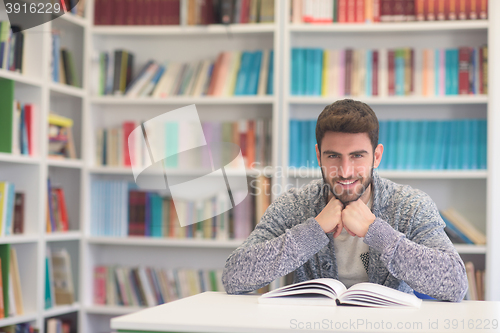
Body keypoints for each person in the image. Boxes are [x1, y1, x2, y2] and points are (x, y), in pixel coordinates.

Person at [221, 99, 468, 302]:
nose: (346, 171)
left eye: (357, 156)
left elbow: (455, 284)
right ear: (318, 155)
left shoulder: (410, 205)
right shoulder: (294, 206)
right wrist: (312, 231)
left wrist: (377, 232)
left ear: (377, 156)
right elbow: (234, 277)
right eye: (333, 156)